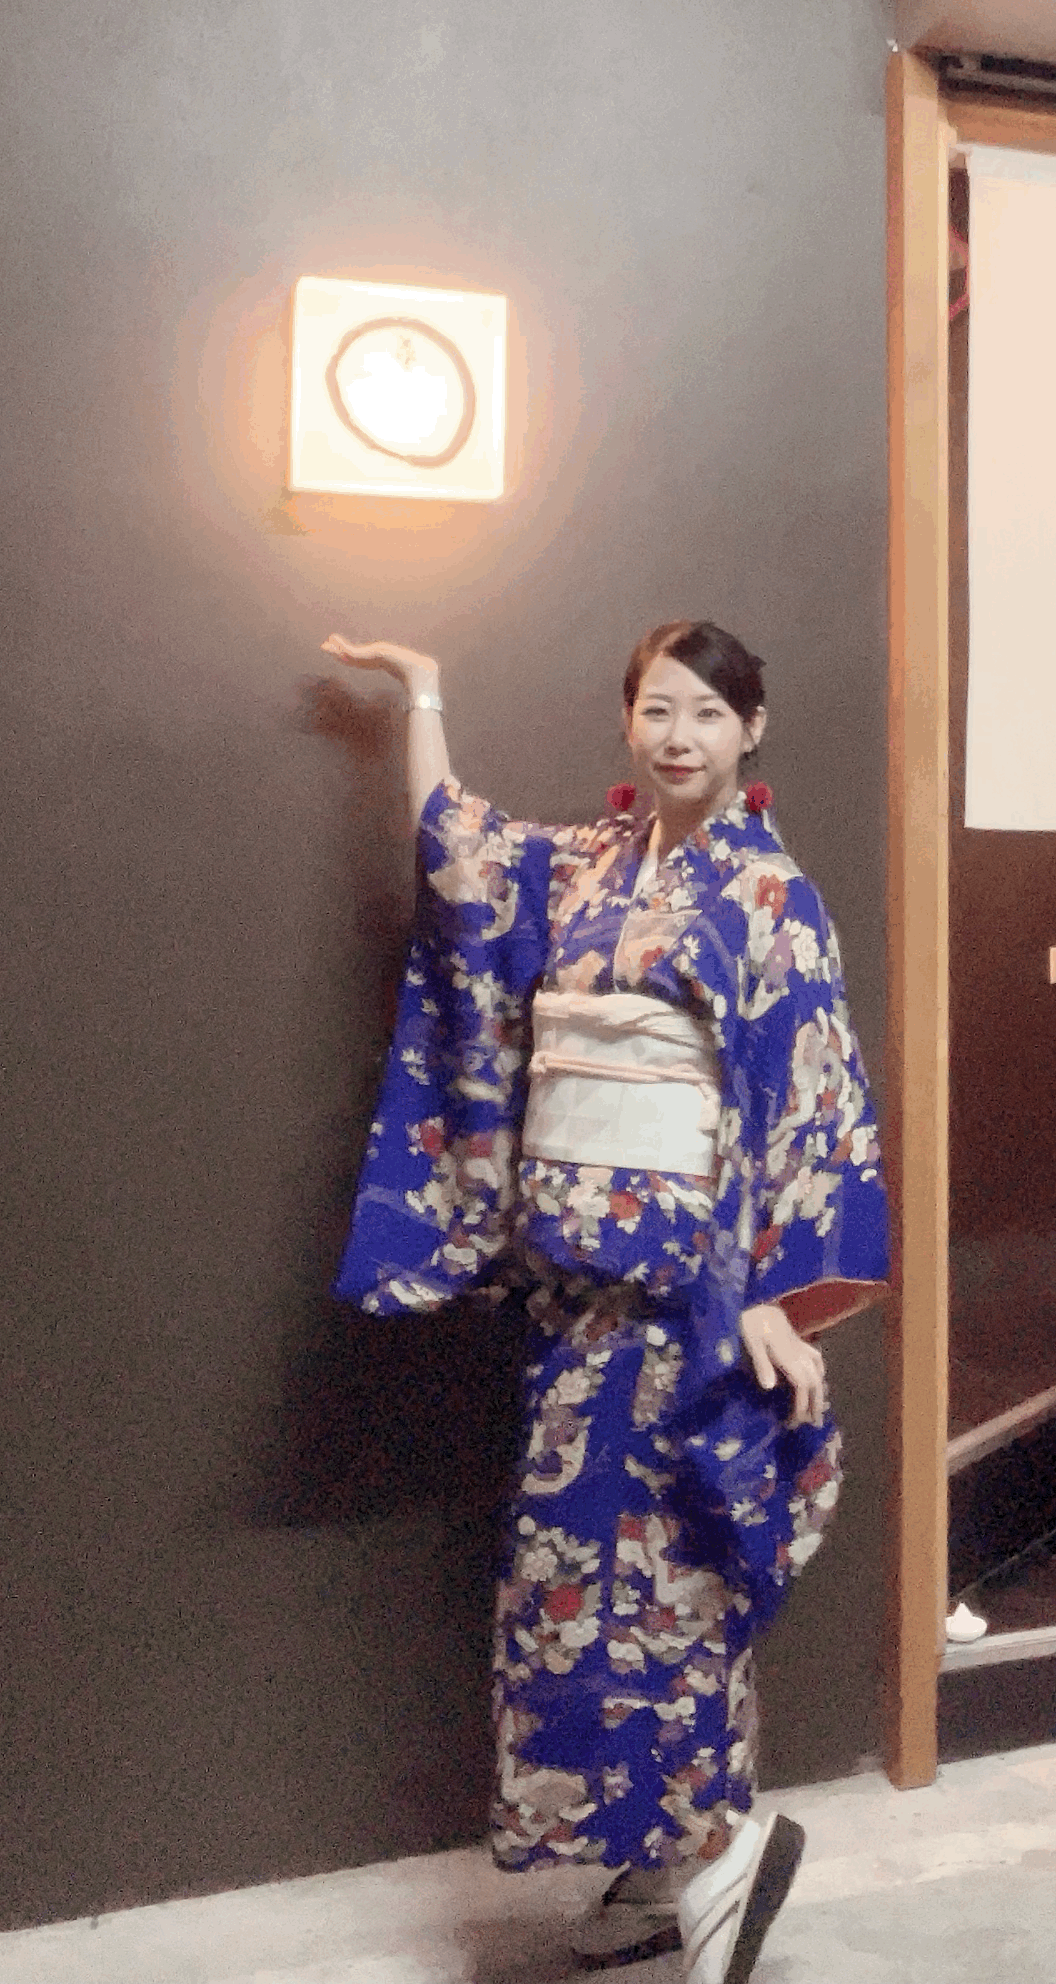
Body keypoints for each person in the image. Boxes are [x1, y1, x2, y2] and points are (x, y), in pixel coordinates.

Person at [322, 620, 888, 1983]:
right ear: (630, 721)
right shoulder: (582, 864)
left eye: (708, 712)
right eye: (658, 709)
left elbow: (811, 1099)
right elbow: (457, 860)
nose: (680, 736)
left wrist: (778, 1297)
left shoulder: (771, 899)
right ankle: (653, 1872)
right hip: (580, 1315)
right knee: (573, 1594)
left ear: (752, 730)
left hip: (693, 1311)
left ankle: (723, 1853)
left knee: (678, 1598)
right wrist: (424, 693)